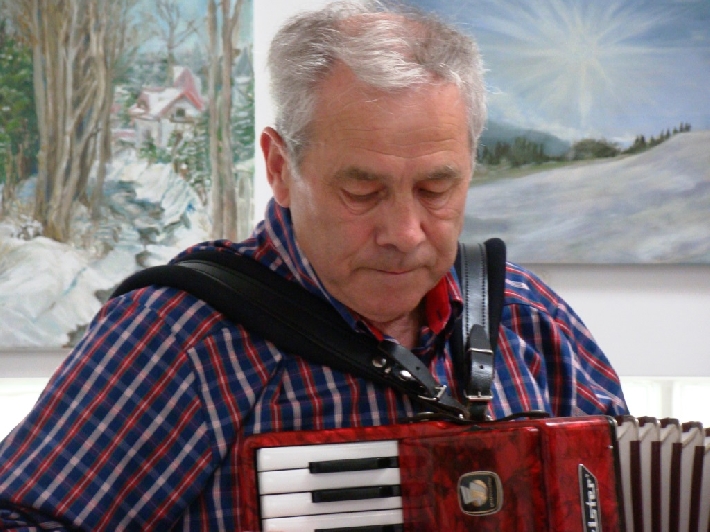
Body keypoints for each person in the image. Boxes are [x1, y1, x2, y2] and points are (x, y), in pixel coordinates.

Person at [0, 1, 627, 530]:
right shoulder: (180, 337)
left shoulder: (528, 318)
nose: (404, 234)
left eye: (436, 189)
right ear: (280, 168)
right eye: (363, 191)